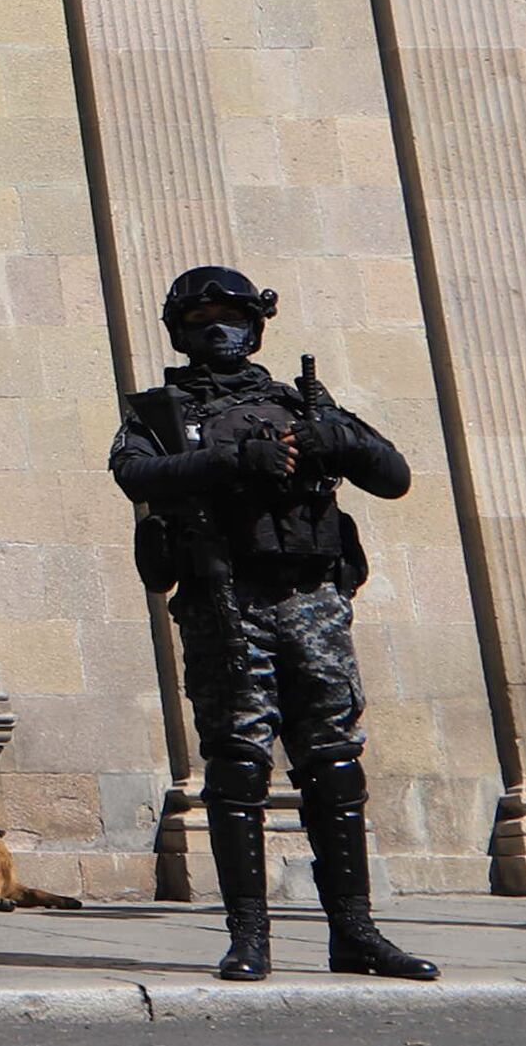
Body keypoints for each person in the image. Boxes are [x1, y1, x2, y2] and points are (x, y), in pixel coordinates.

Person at [111, 266, 438, 983]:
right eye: (202, 321)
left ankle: (353, 931)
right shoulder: (164, 412)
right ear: (181, 331)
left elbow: (393, 473)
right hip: (226, 606)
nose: (218, 331)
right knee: (236, 766)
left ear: (255, 327)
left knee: (333, 764)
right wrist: (230, 459)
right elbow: (133, 474)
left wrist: (333, 440)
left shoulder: (296, 401)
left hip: (312, 602)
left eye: (231, 317)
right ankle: (248, 936)